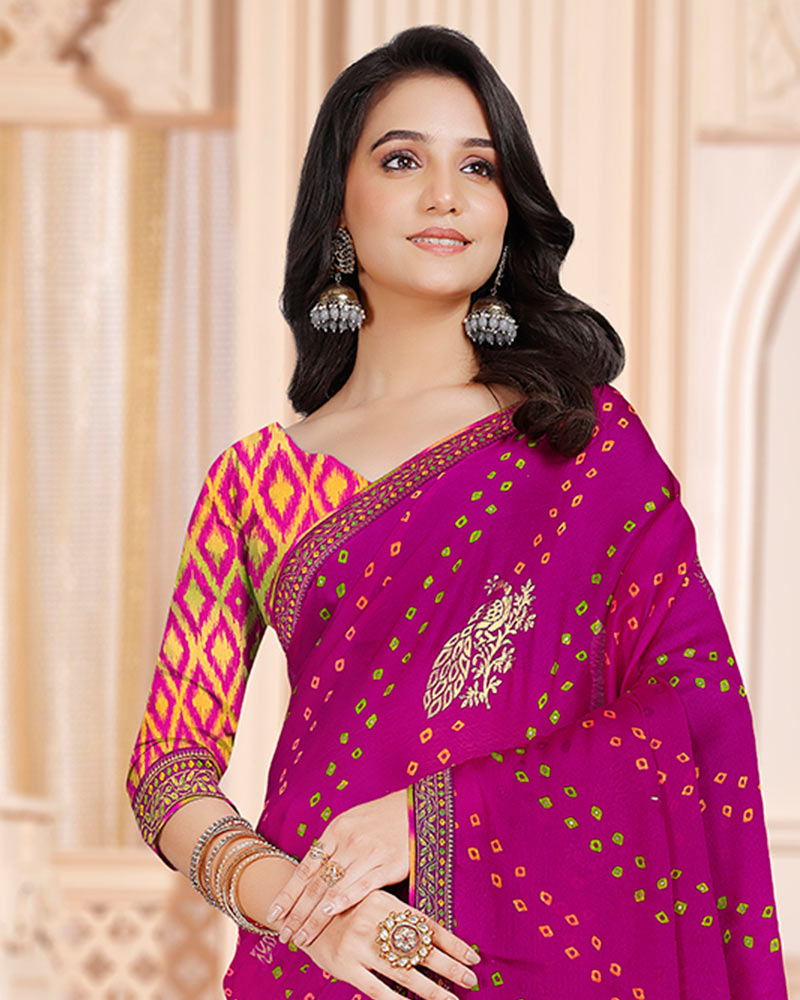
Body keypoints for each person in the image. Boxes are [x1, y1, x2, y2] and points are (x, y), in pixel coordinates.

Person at [125, 24, 789, 1000]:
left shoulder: (582, 441)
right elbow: (167, 768)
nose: (445, 194)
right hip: (329, 965)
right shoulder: (258, 481)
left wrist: (433, 818)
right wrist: (306, 911)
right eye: (402, 159)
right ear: (338, 204)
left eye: (478, 167)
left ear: (506, 212)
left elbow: (691, 709)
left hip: (556, 960)